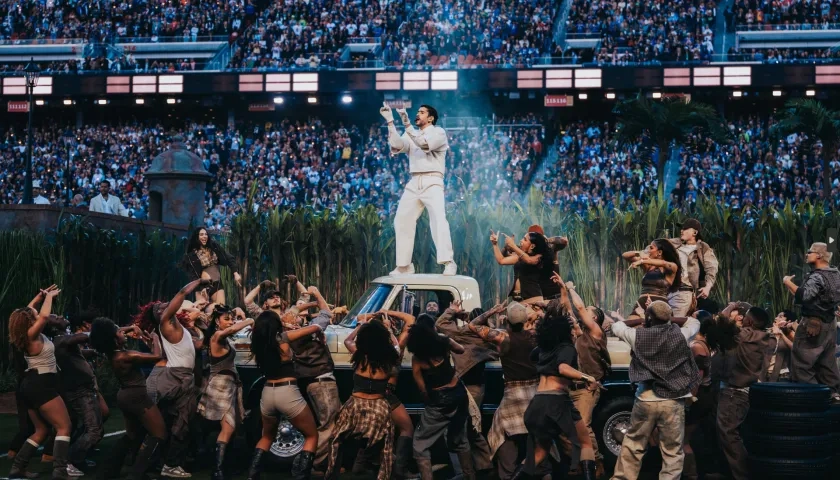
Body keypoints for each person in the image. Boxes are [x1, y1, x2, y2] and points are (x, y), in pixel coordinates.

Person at [610, 301, 701, 480]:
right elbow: (694, 321)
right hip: (674, 400)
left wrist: (641, 320)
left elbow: (616, 325)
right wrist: (667, 317)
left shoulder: (637, 336)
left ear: (649, 317)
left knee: (633, 445)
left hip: (646, 397)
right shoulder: (681, 334)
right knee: (672, 451)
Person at [513, 297, 600, 480]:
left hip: (537, 404)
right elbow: (563, 369)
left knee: (539, 453)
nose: (576, 331)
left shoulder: (543, 350)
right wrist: (588, 377)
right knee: (585, 444)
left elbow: (535, 356)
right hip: (557, 402)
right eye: (572, 328)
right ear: (565, 332)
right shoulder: (567, 348)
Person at [135, 278, 208, 479]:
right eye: (158, 308)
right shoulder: (166, 321)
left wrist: (210, 329)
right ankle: (150, 464)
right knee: (162, 423)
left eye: (163, 305)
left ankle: (167, 464)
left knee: (180, 424)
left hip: (184, 377)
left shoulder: (180, 328)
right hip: (174, 376)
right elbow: (183, 292)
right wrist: (201, 280)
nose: (163, 306)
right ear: (158, 316)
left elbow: (198, 346)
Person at [381, 102, 456, 276]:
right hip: (414, 180)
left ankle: (448, 262)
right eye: (417, 112)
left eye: (421, 112)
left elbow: (423, 144)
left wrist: (407, 125)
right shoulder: (411, 133)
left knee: (438, 219)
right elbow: (397, 146)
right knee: (402, 219)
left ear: (430, 118)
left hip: (433, 180)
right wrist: (391, 122)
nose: (417, 114)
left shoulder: (438, 132)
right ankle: (404, 265)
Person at [7, 285, 74, 480]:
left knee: (42, 429)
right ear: (30, 320)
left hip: (30, 385)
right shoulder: (31, 334)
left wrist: (38, 297)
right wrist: (50, 296)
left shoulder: (24, 333)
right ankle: (60, 471)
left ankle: (17, 468)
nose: (37, 314)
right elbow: (43, 317)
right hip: (41, 384)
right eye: (34, 313)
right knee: (64, 427)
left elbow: (28, 311)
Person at [472, 301, 544, 480]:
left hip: (513, 395)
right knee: (536, 439)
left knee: (502, 433)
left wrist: (492, 311)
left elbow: (473, 325)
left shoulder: (503, 337)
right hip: (535, 393)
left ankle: (508, 474)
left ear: (508, 321)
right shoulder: (536, 336)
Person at [247, 310, 323, 480]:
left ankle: (252, 476)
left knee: (266, 437)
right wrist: (318, 328)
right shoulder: (283, 337)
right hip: (287, 391)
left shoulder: (259, 344)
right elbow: (315, 327)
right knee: (311, 435)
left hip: (267, 393)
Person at [89, 318, 167, 480]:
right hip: (136, 396)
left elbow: (110, 333)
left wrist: (131, 327)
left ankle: (109, 470)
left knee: (132, 435)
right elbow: (158, 356)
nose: (123, 333)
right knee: (159, 434)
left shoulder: (112, 353)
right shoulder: (126, 356)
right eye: (119, 332)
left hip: (124, 395)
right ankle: (138, 473)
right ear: (113, 339)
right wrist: (155, 337)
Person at [326, 320, 400, 480]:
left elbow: (348, 341)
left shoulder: (360, 356)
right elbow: (397, 347)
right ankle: (383, 475)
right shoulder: (390, 360)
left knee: (336, 440)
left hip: (355, 405)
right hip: (379, 406)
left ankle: (333, 474)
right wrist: (390, 331)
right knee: (385, 446)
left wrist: (361, 326)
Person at [346, 310, 415, 478]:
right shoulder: (392, 352)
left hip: (361, 397)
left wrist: (364, 323)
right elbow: (410, 320)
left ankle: (360, 464)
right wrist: (388, 325)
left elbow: (348, 340)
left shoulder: (361, 354)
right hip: (385, 395)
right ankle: (399, 469)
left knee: (371, 430)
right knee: (407, 428)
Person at [436, 301, 502, 474]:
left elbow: (440, 324)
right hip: (477, 387)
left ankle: (464, 471)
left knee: (457, 430)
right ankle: (485, 465)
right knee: (473, 428)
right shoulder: (490, 340)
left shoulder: (463, 334)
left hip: (464, 386)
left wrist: (453, 311)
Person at [407, 321, 474, 480]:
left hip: (439, 402)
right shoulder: (444, 342)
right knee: (460, 439)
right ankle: (469, 476)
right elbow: (460, 349)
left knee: (420, 443)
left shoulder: (418, 359)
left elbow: (422, 388)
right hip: (459, 396)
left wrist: (429, 403)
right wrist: (443, 338)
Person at [559, 274, 610, 478]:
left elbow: (578, 308)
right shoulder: (580, 335)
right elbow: (568, 310)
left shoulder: (597, 333)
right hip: (570, 387)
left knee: (583, 427)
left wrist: (571, 287)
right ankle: (579, 463)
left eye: (589, 311)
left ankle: (596, 463)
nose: (584, 310)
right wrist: (563, 288)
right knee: (563, 429)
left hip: (586, 389)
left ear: (594, 318)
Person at [197, 305, 255, 480]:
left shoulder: (224, 338)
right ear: (217, 321)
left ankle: (223, 467)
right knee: (228, 428)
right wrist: (249, 320)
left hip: (230, 385)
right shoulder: (217, 336)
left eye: (231, 318)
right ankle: (217, 470)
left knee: (231, 427)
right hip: (219, 386)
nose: (230, 322)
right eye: (226, 319)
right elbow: (230, 330)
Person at [716, 307, 771, 480]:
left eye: (745, 317)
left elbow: (721, 321)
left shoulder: (743, 335)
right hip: (745, 392)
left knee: (729, 435)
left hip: (733, 392)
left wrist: (732, 306)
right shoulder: (763, 337)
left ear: (750, 322)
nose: (742, 319)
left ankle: (742, 475)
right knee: (734, 434)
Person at [783, 242, 840, 398]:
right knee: (827, 363)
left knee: (802, 363)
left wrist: (788, 282)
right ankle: (833, 394)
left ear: (819, 255)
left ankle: (814, 397)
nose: (807, 254)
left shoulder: (817, 276)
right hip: (830, 323)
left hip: (813, 323)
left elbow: (805, 296)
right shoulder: (836, 274)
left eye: (810, 252)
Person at [50, 315, 104, 475]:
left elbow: (77, 352)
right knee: (94, 431)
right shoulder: (61, 340)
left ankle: (76, 458)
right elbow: (80, 337)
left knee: (93, 427)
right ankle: (71, 461)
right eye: (55, 317)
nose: (60, 316)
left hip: (83, 389)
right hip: (80, 391)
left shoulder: (62, 341)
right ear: (53, 327)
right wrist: (106, 331)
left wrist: (93, 352)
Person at [666, 219, 719, 316]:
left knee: (675, 321)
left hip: (686, 290)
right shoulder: (674, 243)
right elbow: (656, 246)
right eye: (681, 228)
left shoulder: (703, 248)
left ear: (695, 232)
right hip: (667, 289)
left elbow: (711, 269)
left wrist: (707, 287)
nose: (682, 231)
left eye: (685, 228)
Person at [622, 239, 683, 320]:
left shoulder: (672, 266)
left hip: (659, 305)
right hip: (642, 302)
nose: (648, 250)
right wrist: (639, 252)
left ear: (659, 252)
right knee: (630, 324)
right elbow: (625, 255)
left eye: (651, 248)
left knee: (658, 328)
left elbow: (663, 263)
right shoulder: (648, 266)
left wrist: (641, 261)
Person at [180, 228, 242, 305]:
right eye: (201, 234)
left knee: (220, 310)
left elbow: (228, 257)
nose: (204, 236)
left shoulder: (214, 247)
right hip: (202, 286)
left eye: (206, 234)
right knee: (203, 313)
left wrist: (235, 273)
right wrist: (201, 288)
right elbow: (193, 275)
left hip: (217, 283)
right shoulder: (191, 255)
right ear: (197, 237)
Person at [491, 230, 553, 304]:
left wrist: (512, 245)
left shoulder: (538, 257)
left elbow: (529, 260)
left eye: (525, 239)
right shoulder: (521, 257)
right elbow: (501, 260)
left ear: (532, 246)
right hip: (519, 300)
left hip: (532, 299)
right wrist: (495, 244)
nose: (521, 240)